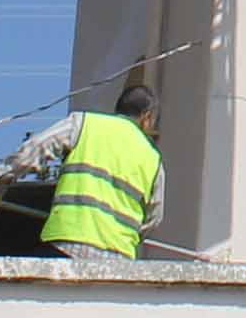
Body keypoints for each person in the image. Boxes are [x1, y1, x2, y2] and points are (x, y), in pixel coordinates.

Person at [21, 76, 165, 262]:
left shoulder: (83, 124)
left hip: (67, 243)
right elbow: (154, 219)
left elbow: (35, 147)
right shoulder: (153, 159)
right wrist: (129, 236)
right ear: (147, 117)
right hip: (118, 257)